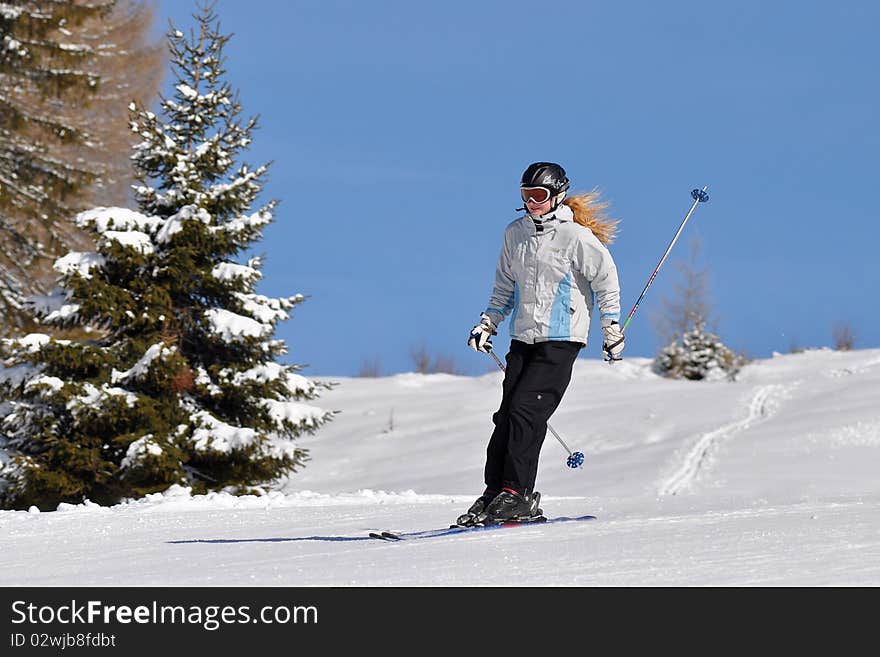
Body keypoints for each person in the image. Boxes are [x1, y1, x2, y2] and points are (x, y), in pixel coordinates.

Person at [460, 162, 624, 526]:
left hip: (561, 340)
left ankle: (518, 493)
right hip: (524, 337)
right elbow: (504, 286)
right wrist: (488, 323)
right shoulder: (514, 234)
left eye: (539, 196)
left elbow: (606, 280)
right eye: (526, 195)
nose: (532, 203)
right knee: (504, 417)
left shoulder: (576, 237)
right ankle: (495, 492)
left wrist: (610, 328)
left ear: (557, 196)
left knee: (525, 412)